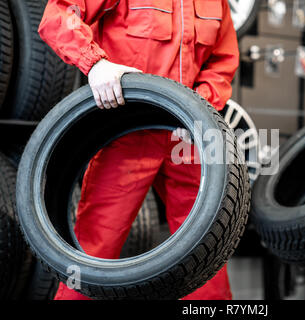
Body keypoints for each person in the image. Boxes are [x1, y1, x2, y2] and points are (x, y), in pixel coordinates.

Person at [38, 0, 239, 300]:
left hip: (188, 133)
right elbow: (58, 16)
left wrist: (200, 105)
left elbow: (223, 60)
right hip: (128, 131)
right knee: (93, 252)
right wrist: (95, 64)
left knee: (207, 244)